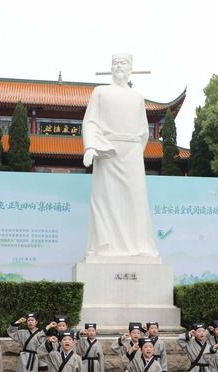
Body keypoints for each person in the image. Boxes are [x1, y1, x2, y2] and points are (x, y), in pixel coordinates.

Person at [81, 53, 159, 258]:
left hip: (132, 152)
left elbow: (144, 130)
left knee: (136, 199)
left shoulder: (137, 97)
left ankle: (140, 245)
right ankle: (104, 246)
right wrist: (90, 146)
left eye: (123, 63)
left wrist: (134, 152)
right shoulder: (100, 92)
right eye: (115, 63)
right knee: (105, 199)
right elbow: (90, 121)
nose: (118, 66)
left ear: (130, 69)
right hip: (107, 150)